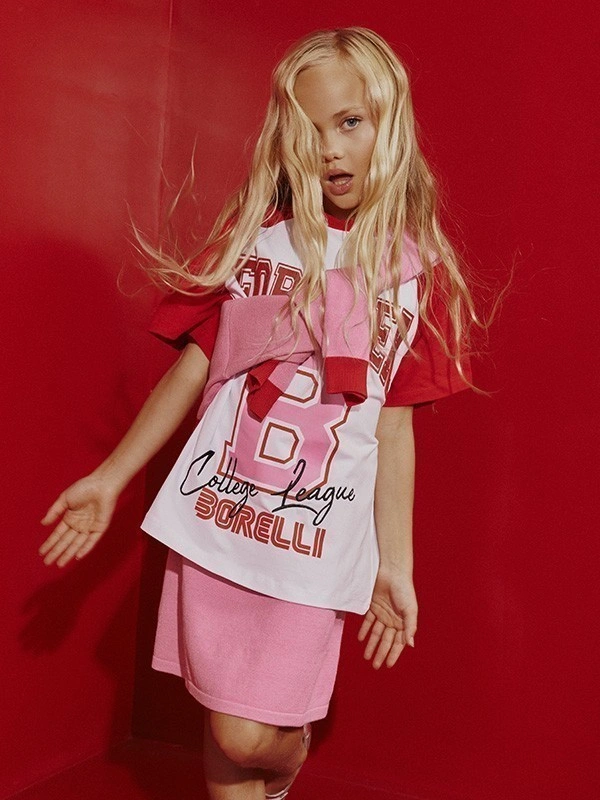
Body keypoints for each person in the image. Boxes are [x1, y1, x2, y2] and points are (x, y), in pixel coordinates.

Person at [39, 27, 479, 800]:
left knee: (249, 733)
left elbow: (394, 428)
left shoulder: (418, 273)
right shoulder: (259, 240)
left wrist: (395, 567)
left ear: (390, 123)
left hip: (314, 540)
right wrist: (110, 479)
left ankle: (290, 752)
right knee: (222, 726)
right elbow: (195, 367)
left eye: (350, 122)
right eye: (309, 130)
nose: (330, 149)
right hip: (222, 515)